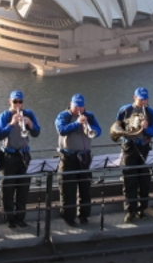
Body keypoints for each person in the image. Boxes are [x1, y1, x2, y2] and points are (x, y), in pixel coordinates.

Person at [113, 87, 153, 223]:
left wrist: (146, 128)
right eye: (141, 99)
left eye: (145, 99)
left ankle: (142, 209)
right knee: (129, 180)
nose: (143, 101)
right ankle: (130, 210)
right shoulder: (125, 110)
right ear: (134, 98)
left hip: (143, 146)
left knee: (144, 180)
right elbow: (118, 126)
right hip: (129, 147)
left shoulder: (150, 113)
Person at [0, 90, 40, 228]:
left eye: (20, 102)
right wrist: (12, 124)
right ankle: (9, 219)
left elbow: (37, 133)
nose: (18, 104)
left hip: (24, 155)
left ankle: (20, 217)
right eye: (15, 102)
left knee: (23, 188)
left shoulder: (29, 114)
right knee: (8, 189)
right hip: (9, 155)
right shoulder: (4, 116)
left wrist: (30, 124)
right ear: (10, 101)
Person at [56, 93, 101, 227]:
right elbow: (61, 130)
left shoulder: (90, 116)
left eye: (81, 107)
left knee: (85, 189)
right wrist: (77, 123)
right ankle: (68, 217)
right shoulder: (63, 116)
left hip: (85, 157)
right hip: (68, 157)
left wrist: (90, 126)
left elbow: (98, 130)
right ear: (71, 104)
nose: (79, 110)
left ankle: (84, 215)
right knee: (67, 190)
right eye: (76, 107)